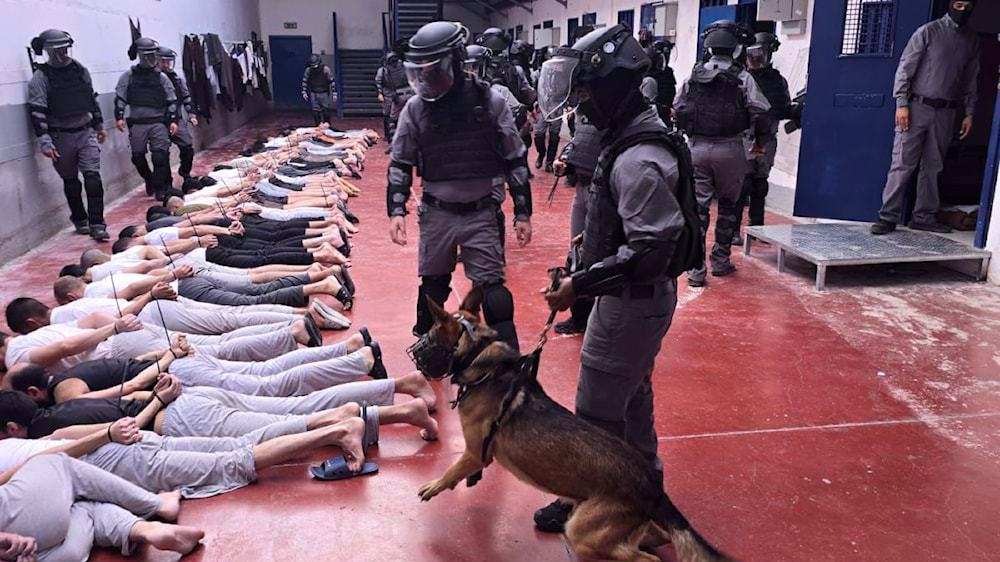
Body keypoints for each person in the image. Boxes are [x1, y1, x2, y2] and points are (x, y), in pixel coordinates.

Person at [536, 24, 700, 532]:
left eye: (585, 94)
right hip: (627, 295)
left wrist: (578, 287)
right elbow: (627, 229)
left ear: (610, 88)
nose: (581, 107)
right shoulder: (627, 138)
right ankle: (642, 497)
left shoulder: (639, 158)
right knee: (631, 398)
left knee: (598, 410)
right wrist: (589, 251)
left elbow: (650, 251)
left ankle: (608, 509)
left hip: (632, 299)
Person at [388, 21, 533, 350]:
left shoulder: (489, 101)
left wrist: (522, 213)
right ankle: (429, 355)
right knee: (433, 291)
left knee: (493, 291)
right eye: (419, 71)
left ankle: (507, 359)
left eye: (432, 69)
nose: (425, 78)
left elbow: (515, 158)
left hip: (481, 212)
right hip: (437, 213)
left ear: (453, 61)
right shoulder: (416, 108)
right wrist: (396, 210)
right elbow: (400, 161)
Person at [871, 0, 981, 235]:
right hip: (916, 107)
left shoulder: (971, 40)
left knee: (934, 165)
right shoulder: (928, 32)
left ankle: (924, 216)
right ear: (951, 4)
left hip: (947, 111)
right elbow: (905, 68)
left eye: (967, 7)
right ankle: (887, 216)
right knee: (902, 162)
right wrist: (901, 103)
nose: (962, 11)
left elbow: (971, 79)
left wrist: (969, 112)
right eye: (958, 5)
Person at [674, 24, 772, 287]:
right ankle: (720, 261)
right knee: (729, 205)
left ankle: (695, 270)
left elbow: (677, 107)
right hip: (731, 150)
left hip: (697, 149)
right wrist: (760, 141)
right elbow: (761, 110)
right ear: (736, 49)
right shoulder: (743, 77)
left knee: (698, 209)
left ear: (709, 47)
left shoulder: (693, 75)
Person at [0, 454, 204, 560]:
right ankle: (157, 504)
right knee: (58, 464)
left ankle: (146, 530)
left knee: (85, 509)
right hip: (17, 521)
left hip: (54, 555)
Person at [27, 29, 109, 242]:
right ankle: (79, 218)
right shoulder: (40, 77)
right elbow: (37, 112)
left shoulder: (79, 69)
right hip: (60, 136)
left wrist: (99, 125)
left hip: (85, 131)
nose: (62, 54)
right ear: (47, 52)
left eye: (64, 48)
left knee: (92, 177)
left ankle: (98, 223)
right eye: (56, 50)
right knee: (71, 180)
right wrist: (45, 142)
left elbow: (91, 98)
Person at [734, 32, 791, 244]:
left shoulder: (777, 80)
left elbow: (783, 107)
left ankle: (757, 227)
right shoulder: (740, 77)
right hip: (744, 138)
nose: (756, 58)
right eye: (753, 54)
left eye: (760, 53)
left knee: (760, 184)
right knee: (741, 185)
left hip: (766, 138)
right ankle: (732, 230)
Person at [551, 116, 602, 335]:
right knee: (576, 255)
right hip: (582, 186)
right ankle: (580, 316)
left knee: (593, 254)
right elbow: (578, 141)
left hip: (600, 189)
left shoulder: (615, 112)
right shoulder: (586, 110)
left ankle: (593, 315)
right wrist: (566, 161)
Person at [115, 37, 178, 201]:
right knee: (137, 157)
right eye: (146, 55)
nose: (149, 59)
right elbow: (120, 97)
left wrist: (173, 120)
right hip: (138, 122)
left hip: (157, 121)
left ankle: (160, 188)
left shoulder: (161, 77)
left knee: (159, 156)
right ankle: (149, 179)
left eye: (152, 55)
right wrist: (119, 116)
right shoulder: (128, 76)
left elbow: (171, 99)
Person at [157, 47, 199, 185]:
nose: (166, 65)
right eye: (163, 61)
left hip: (177, 119)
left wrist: (191, 115)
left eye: (168, 61)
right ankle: (166, 183)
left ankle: (185, 172)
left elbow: (186, 97)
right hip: (159, 122)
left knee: (188, 147)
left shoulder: (177, 79)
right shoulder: (153, 81)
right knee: (161, 154)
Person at [375, 41, 412, 150]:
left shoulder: (387, 69)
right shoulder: (406, 65)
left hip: (397, 94)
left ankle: (394, 143)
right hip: (410, 93)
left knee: (393, 119)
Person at [302, 54, 336, 127]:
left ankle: (328, 126)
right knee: (315, 112)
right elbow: (305, 80)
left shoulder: (325, 69)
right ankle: (318, 127)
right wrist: (304, 92)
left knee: (326, 111)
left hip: (324, 93)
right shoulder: (308, 70)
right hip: (313, 92)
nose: (314, 67)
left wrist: (334, 93)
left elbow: (332, 81)